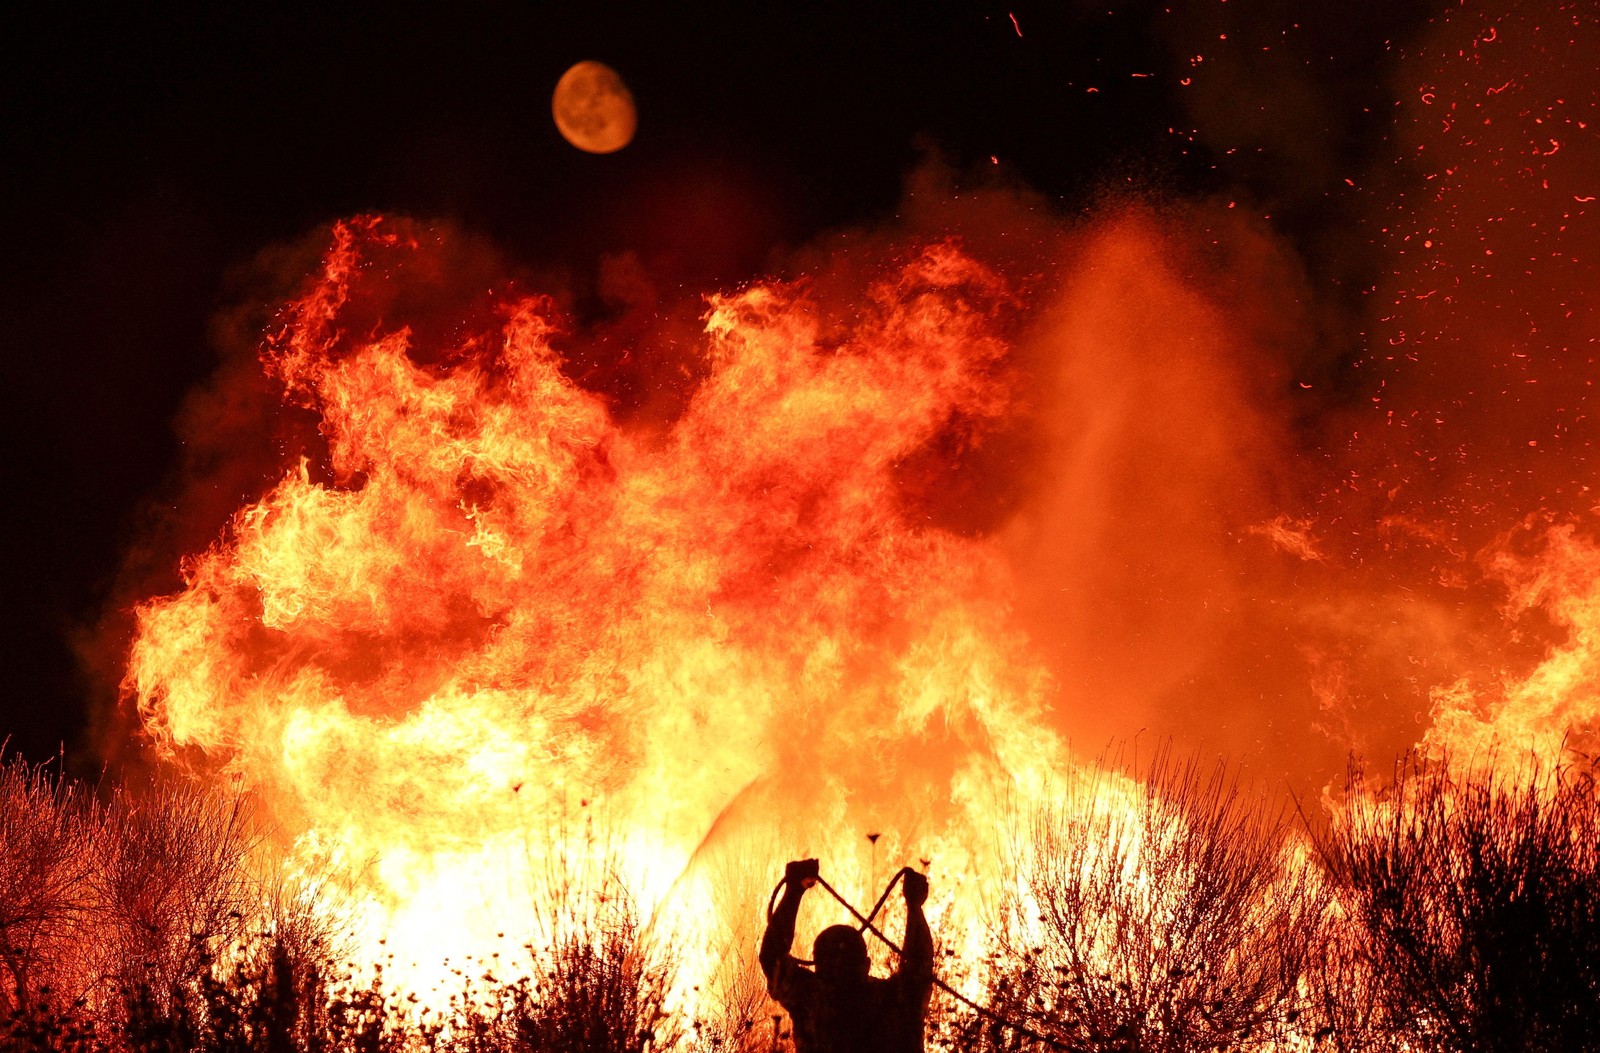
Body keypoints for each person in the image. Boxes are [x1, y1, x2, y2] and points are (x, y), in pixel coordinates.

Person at [759, 858, 934, 1053]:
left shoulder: (811, 998)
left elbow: (772, 959)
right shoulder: (893, 999)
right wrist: (915, 907)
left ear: (817, 966)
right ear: (866, 964)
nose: (838, 967)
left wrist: (794, 890)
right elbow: (919, 966)